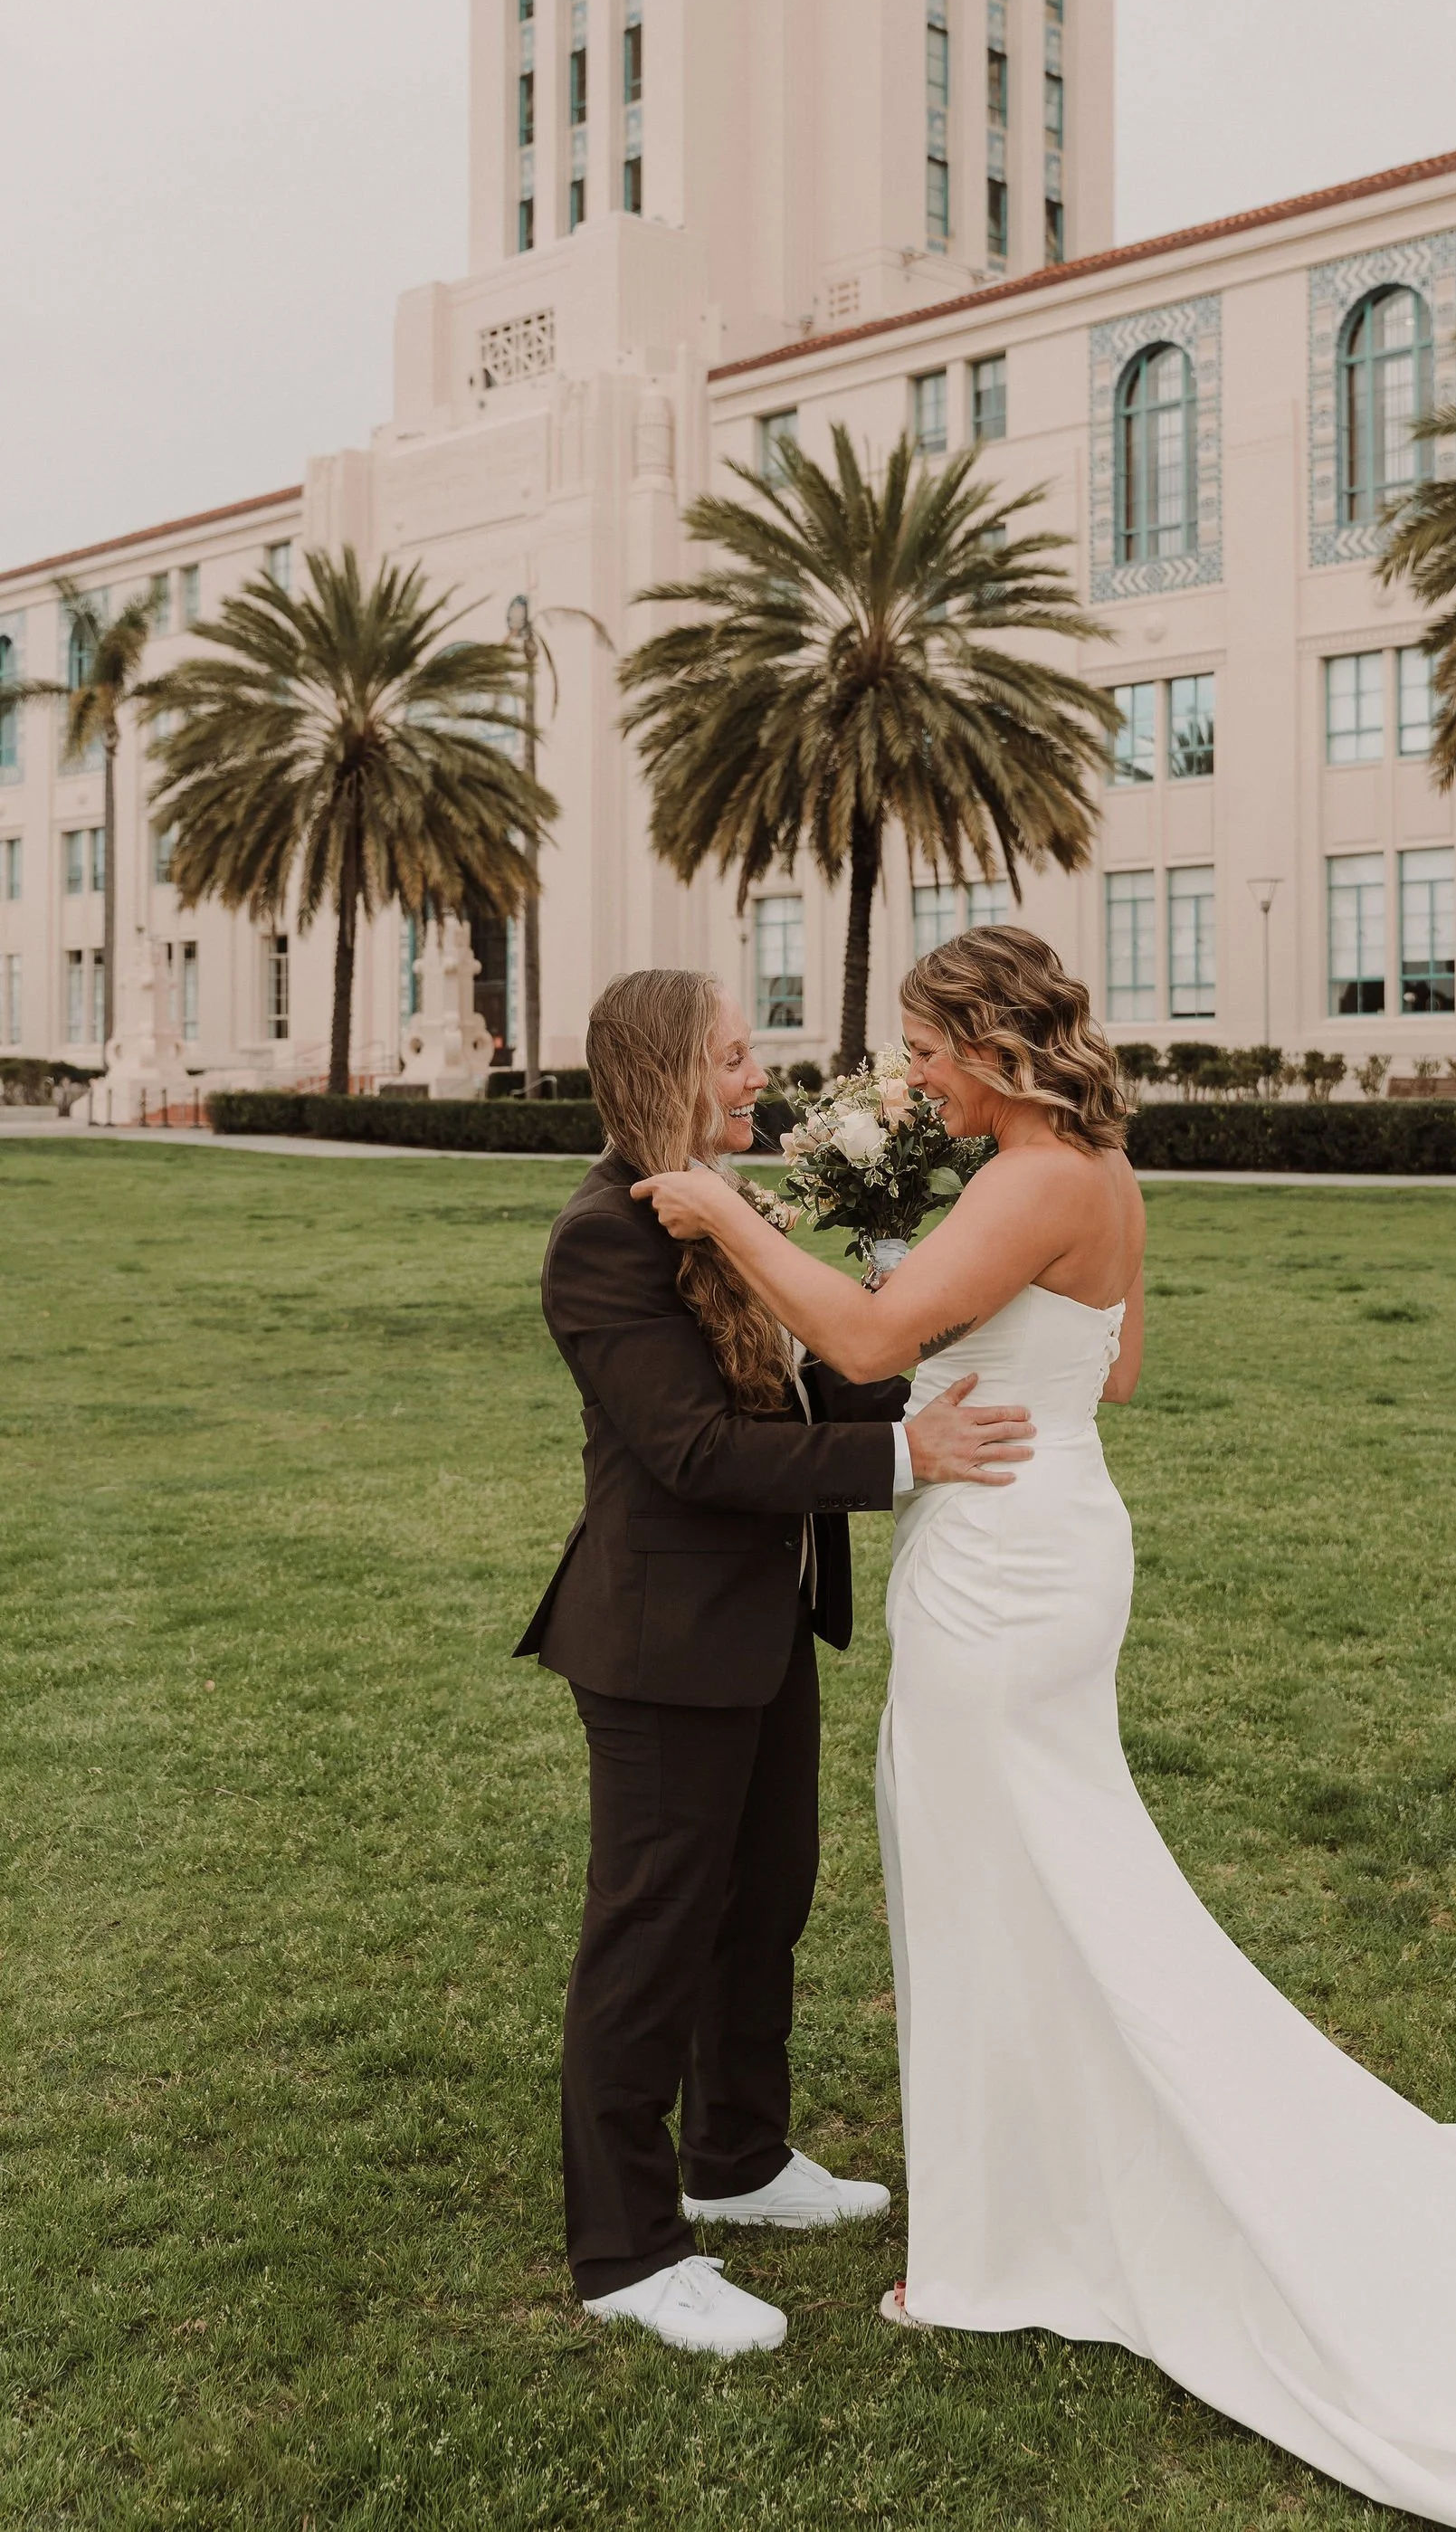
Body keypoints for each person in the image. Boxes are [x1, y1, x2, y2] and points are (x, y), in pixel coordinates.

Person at [633, 925, 1456, 2532]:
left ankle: (998, 2247)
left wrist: (726, 1210)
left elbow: (867, 1348)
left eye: (927, 1044)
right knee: (1039, 1873)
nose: (911, 1073)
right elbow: (1116, 1366)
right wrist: (943, 1308)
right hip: (1055, 1523)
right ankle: (1026, 2197)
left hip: (1002, 1568)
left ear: (992, 1037)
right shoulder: (1098, 1169)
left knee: (992, 1883)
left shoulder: (1032, 1179)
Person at [517, 967, 1035, 2358]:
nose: (759, 1076)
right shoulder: (602, 1240)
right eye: (735, 1055)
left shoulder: (732, 1208)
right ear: (669, 1069)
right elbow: (695, 1451)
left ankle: (736, 2158)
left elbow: (812, 1376)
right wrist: (902, 1456)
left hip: (759, 1628)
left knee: (767, 1901)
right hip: (659, 1647)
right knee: (651, 1934)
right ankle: (627, 2250)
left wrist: (914, 1343)